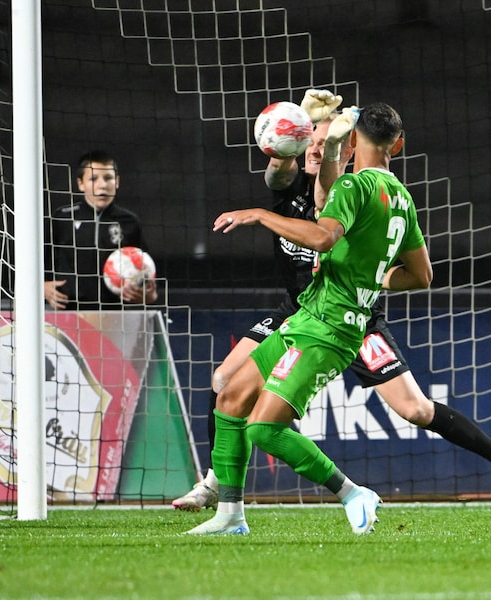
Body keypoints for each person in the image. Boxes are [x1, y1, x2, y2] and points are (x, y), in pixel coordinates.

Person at [174, 93, 491, 514]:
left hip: (354, 320)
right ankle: (216, 485)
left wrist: (377, 276)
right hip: (297, 311)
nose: (315, 146)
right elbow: (278, 170)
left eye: (325, 142)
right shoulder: (292, 187)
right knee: (226, 382)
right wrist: (296, 131)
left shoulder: (349, 188)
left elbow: (331, 208)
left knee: (414, 409)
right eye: (309, 140)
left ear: (346, 148)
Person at [185, 101, 434, 536]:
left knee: (263, 429)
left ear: (354, 140)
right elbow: (422, 275)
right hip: (308, 317)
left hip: (329, 331)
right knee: (231, 400)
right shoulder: (402, 199)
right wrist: (371, 280)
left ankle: (353, 492)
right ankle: (229, 516)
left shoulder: (357, 186)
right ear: (400, 144)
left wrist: (262, 215)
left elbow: (322, 236)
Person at [44, 150, 158, 310]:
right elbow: (38, 261)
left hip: (117, 315)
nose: (102, 184)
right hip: (68, 312)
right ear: (80, 184)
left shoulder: (129, 221)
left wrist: (149, 295)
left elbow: (147, 270)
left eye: (108, 178)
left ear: (117, 182)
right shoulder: (62, 218)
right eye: (93, 178)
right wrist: (42, 287)